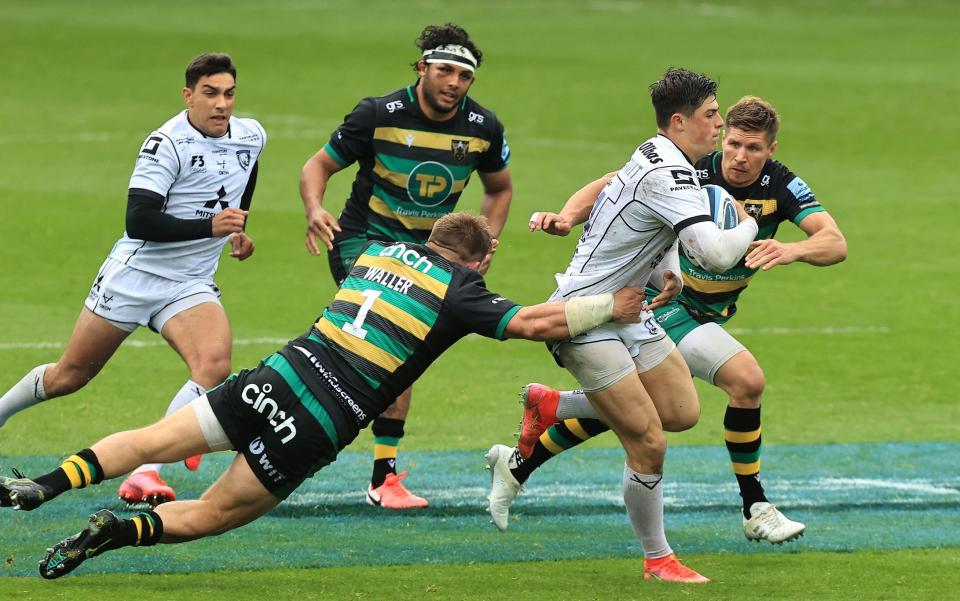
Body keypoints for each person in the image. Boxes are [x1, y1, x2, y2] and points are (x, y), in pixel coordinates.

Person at [0, 213, 651, 580]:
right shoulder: (462, 288)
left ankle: (47, 483)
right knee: (216, 512)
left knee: (149, 440)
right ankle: (117, 530)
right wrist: (610, 305)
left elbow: (343, 225)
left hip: (277, 374)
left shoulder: (378, 255)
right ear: (478, 259)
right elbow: (535, 322)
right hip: (319, 417)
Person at [486, 96, 847, 544]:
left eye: (753, 148)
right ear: (723, 138)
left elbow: (834, 243)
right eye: (733, 143)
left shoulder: (781, 185)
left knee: (647, 409)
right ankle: (754, 505)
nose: (739, 156)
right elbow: (608, 185)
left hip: (707, 313)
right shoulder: (693, 169)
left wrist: (794, 249)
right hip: (664, 302)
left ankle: (528, 449)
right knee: (746, 380)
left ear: (771, 150)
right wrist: (566, 217)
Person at [486, 67, 759, 584]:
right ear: (679, 122)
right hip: (584, 318)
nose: (720, 124)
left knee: (680, 411)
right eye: (710, 115)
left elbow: (626, 215)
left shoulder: (659, 154)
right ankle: (658, 559)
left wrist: (667, 268)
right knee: (649, 440)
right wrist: (746, 222)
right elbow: (720, 254)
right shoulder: (671, 174)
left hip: (630, 309)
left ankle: (552, 406)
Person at [0, 53, 266, 506]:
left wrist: (237, 231)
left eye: (229, 93)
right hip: (135, 277)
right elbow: (139, 220)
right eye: (210, 93)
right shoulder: (166, 144)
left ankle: (146, 471)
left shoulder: (251, 135)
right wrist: (210, 228)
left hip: (190, 282)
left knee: (213, 365)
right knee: (70, 376)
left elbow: (244, 180)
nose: (221, 104)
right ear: (188, 95)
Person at [299, 23, 512, 509]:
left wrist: (484, 244)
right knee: (388, 336)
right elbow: (318, 166)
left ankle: (381, 475)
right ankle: (368, 466)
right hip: (364, 241)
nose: (453, 82)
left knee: (398, 347)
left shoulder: (483, 128)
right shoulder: (378, 113)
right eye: (444, 70)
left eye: (464, 75)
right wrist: (315, 207)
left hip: (434, 254)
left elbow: (499, 189)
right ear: (422, 68)